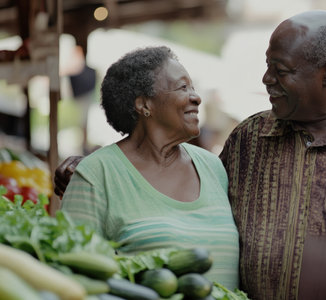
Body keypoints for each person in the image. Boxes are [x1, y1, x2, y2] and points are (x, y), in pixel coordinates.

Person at [54, 10, 326, 300]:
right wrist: (92, 171)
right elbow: (174, 197)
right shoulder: (248, 139)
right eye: (267, 66)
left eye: (281, 70)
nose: (266, 80)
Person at [58, 46, 239, 290]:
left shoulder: (213, 167)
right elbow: (72, 280)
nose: (196, 97)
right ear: (144, 105)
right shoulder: (95, 174)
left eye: (193, 87)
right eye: (182, 87)